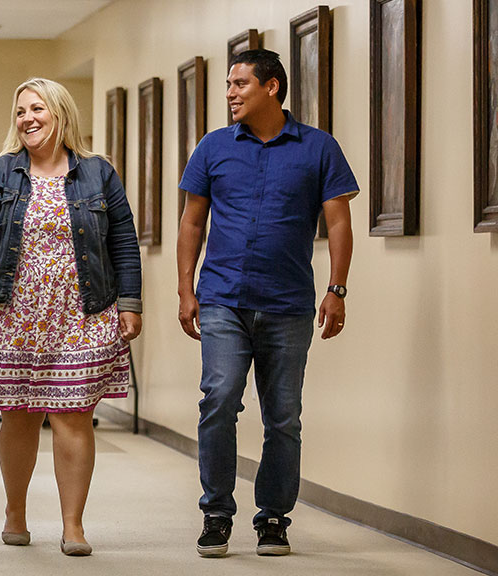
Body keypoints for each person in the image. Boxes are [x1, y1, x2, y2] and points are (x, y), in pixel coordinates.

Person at [0, 78, 142, 555]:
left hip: (83, 311)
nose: (27, 119)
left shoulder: (99, 174)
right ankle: (16, 509)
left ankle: (72, 524)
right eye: (20, 112)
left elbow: (123, 241)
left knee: (75, 416)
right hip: (14, 312)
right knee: (19, 416)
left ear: (60, 115)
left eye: (37, 109)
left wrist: (131, 304)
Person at [177, 48, 357, 558]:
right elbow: (193, 221)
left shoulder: (319, 148)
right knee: (218, 400)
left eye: (240, 84)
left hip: (288, 304)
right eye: (228, 84)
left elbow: (339, 222)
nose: (230, 93)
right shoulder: (213, 148)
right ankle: (216, 513)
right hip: (222, 300)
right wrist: (185, 288)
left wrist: (337, 289)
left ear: (271, 87)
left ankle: (274, 517)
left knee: (283, 416)